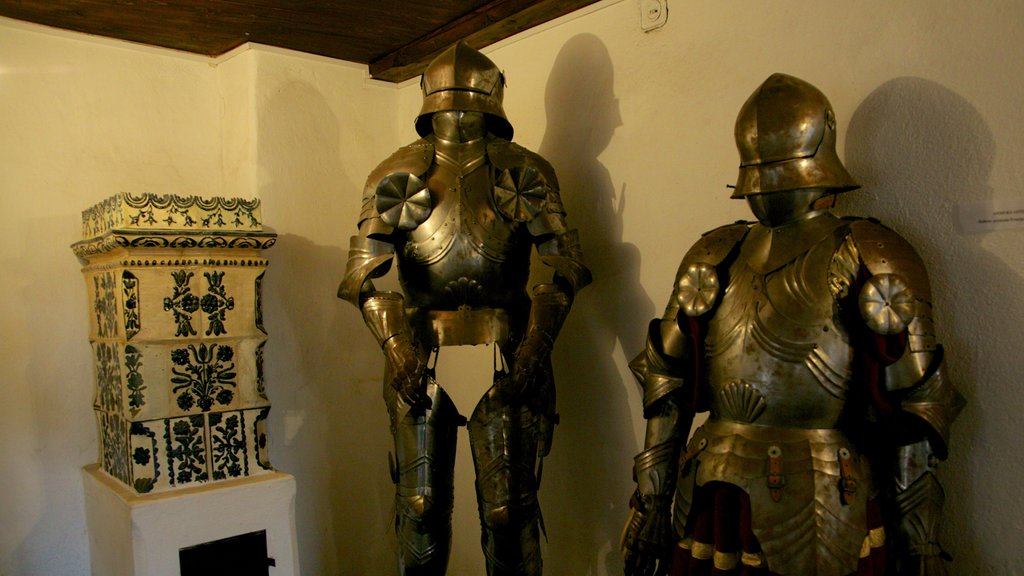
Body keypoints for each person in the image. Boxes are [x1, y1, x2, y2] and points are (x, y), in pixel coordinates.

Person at [621, 73, 964, 576]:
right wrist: (651, 501)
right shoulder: (717, 252)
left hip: (826, 489)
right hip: (712, 488)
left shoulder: (871, 252)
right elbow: (665, 379)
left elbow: (915, 407)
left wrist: (921, 543)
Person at [339, 41, 590, 576]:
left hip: (506, 350)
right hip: (421, 354)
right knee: (421, 509)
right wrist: (398, 348)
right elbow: (361, 277)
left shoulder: (526, 170)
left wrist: (535, 347)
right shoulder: (395, 172)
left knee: (507, 513)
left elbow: (565, 267)